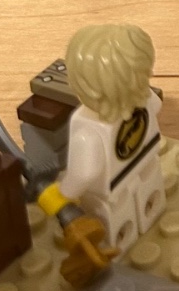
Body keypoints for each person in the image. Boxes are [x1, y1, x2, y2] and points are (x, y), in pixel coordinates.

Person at [57, 24, 167, 254]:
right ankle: (152, 213)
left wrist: (62, 194)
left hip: (110, 194)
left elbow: (83, 174)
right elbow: (157, 106)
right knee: (149, 198)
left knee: (115, 226)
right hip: (147, 165)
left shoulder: (88, 132)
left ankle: (121, 244)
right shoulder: (145, 98)